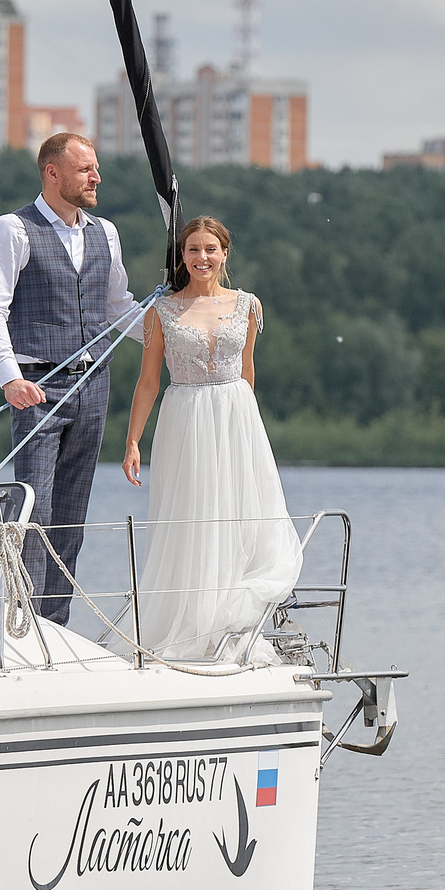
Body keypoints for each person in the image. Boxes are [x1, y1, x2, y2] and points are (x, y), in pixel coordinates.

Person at [0, 132, 144, 625]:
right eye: (86, 169)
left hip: (93, 386)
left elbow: (119, 308)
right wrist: (10, 379)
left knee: (71, 513)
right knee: (33, 508)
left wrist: (170, 334)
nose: (97, 177)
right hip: (36, 387)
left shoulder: (105, 233)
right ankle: (20, 622)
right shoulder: (13, 229)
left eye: (95, 168)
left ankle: (56, 625)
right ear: (53, 173)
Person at [121, 217, 304, 661]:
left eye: (210, 249)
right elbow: (147, 382)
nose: (201, 258)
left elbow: (248, 370)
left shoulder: (248, 305)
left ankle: (228, 620)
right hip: (184, 416)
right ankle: (189, 623)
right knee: (191, 513)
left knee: (238, 511)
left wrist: (247, 431)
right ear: (181, 256)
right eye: (192, 250)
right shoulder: (160, 310)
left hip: (235, 416)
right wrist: (132, 442)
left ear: (224, 254)